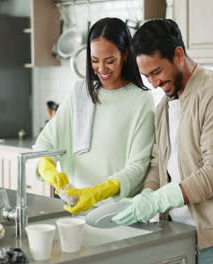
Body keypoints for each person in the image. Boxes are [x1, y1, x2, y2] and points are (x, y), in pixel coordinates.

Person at [112, 19, 213, 263]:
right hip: (179, 232)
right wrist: (147, 194)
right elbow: (158, 162)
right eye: (146, 76)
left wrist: (161, 199)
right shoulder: (165, 105)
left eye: (156, 72)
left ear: (178, 55)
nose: (153, 84)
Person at [34, 17, 155, 215]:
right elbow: (45, 143)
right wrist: (48, 169)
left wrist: (99, 192)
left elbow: (138, 166)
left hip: (116, 212)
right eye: (94, 61)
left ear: (125, 55)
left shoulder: (141, 100)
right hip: (73, 204)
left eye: (109, 61)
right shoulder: (81, 92)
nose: (101, 69)